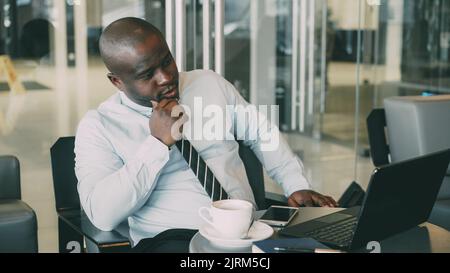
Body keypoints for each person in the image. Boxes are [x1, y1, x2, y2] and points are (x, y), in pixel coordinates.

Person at [74, 17, 338, 253]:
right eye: (147, 74)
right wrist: (156, 144)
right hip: (175, 240)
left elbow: (261, 132)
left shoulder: (208, 84)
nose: (166, 77)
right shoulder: (99, 126)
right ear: (117, 81)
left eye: (167, 60)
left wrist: (296, 183)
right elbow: (102, 214)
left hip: (249, 232)